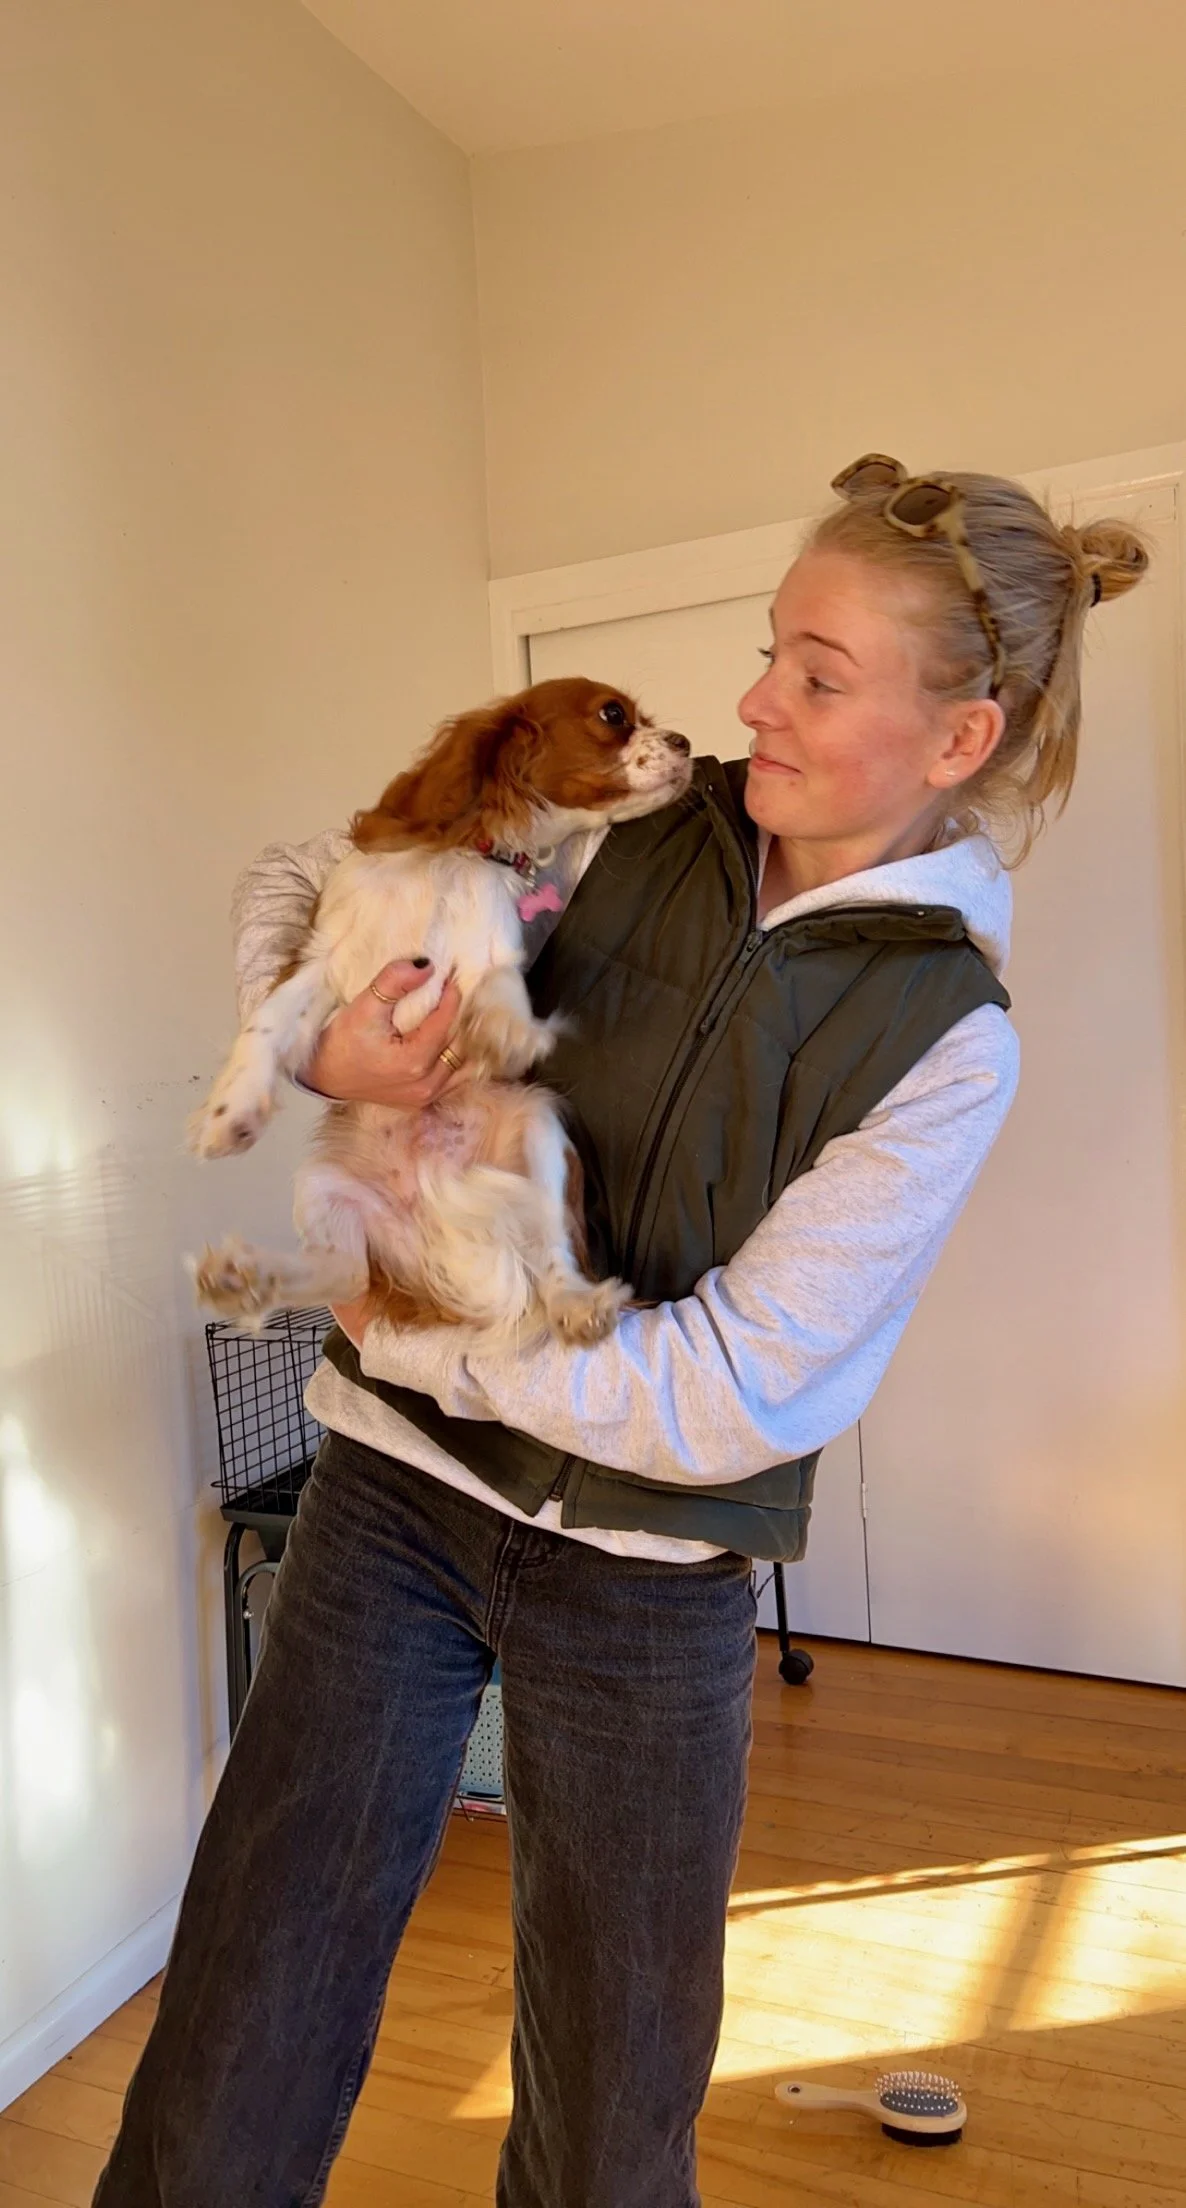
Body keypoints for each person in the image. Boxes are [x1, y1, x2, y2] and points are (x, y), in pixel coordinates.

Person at [95, 457, 1147, 2208]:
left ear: (957, 739)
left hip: (650, 1579)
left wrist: (417, 1340)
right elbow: (305, 872)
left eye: (818, 675)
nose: (755, 701)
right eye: (769, 650)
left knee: (615, 2086)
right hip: (390, 1507)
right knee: (246, 2000)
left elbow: (731, 1395)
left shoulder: (949, 1039)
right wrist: (322, 1037)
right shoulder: (622, 824)